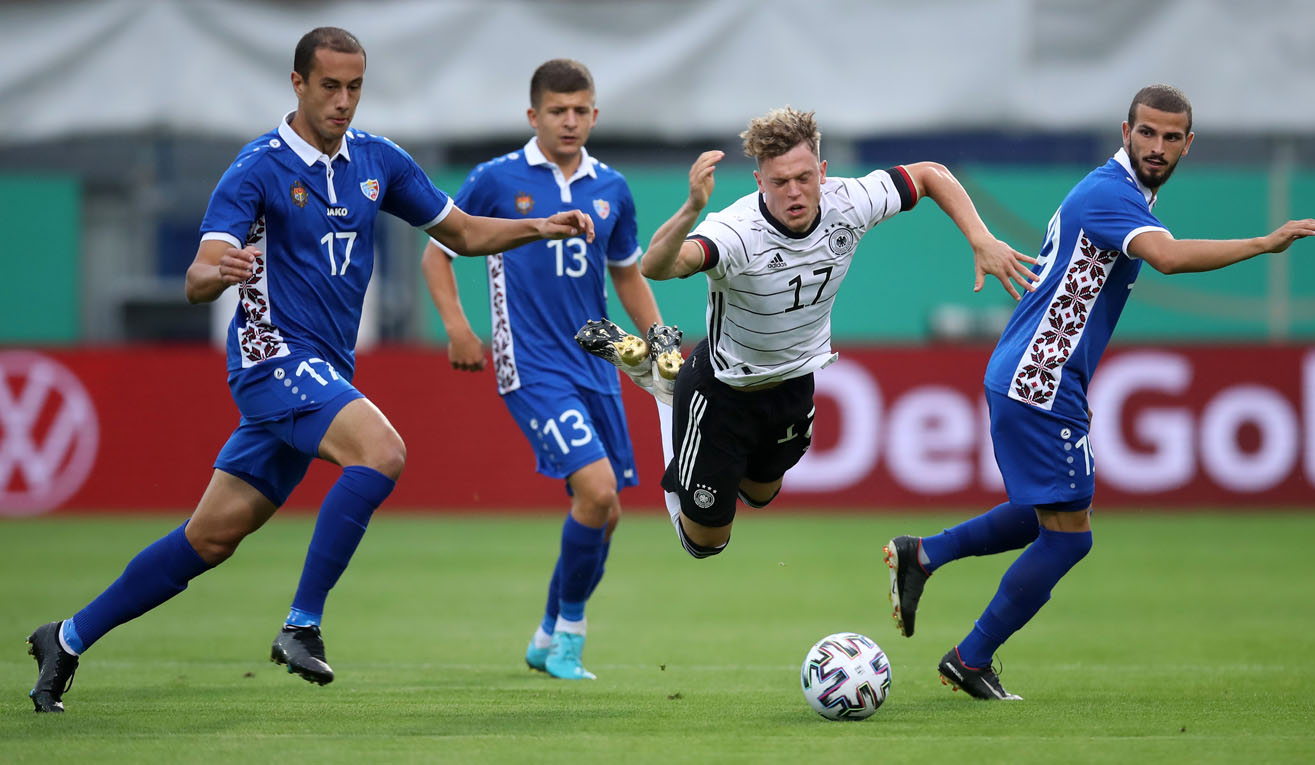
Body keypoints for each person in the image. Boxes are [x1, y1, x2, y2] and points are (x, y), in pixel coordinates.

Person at [25, 27, 593, 713]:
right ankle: (301, 624)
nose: (343, 101)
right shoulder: (257, 168)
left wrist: (541, 226)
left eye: (355, 87)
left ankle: (66, 637)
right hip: (271, 359)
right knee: (382, 452)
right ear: (298, 83)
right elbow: (199, 274)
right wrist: (217, 272)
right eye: (330, 86)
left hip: (321, 370)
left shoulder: (378, 160)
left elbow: (465, 233)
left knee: (210, 537)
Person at [884, 84, 1315, 701]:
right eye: (1146, 132)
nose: (1157, 146)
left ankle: (924, 555)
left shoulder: (1124, 194)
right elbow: (1168, 258)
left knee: (1048, 512)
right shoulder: (1109, 193)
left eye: (1170, 137)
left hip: (1040, 376)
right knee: (1070, 535)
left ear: (1188, 144)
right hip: (1039, 378)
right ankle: (969, 657)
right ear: (1126, 133)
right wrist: (1264, 242)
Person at [636, 106, 1038, 560]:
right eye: (779, 182)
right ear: (759, 182)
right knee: (706, 544)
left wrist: (981, 238)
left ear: (823, 172)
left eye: (804, 178)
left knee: (761, 495)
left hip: (792, 383)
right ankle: (666, 392)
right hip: (723, 391)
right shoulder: (735, 232)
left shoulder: (849, 201)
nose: (794, 192)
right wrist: (692, 208)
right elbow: (657, 266)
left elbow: (930, 174)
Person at [421, 59, 667, 681]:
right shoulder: (495, 179)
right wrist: (458, 327)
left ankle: (545, 634)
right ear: (533, 116)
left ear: (595, 114)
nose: (570, 121)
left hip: (597, 362)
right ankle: (570, 641)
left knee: (606, 511)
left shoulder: (611, 187)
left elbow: (626, 274)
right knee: (598, 491)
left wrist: (659, 340)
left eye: (581, 110)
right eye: (558, 111)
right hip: (530, 364)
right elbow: (436, 255)